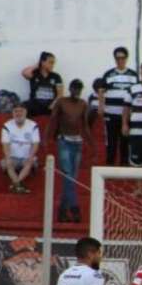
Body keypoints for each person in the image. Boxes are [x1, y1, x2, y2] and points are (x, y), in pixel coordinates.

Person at [48, 79, 91, 223]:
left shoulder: (83, 104)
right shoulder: (61, 102)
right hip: (64, 140)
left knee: (72, 178)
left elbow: (85, 125)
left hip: (77, 141)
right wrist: (47, 138)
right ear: (70, 88)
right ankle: (75, 208)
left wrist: (92, 144)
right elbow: (53, 120)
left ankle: (61, 210)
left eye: (79, 89)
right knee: (68, 175)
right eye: (74, 88)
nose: (76, 91)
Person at [101, 47, 139, 165]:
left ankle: (124, 173)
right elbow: (101, 91)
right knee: (111, 144)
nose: (120, 60)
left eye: (122, 58)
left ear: (126, 58)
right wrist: (101, 107)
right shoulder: (108, 74)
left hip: (127, 116)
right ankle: (108, 173)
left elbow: (137, 94)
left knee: (125, 144)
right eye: (117, 58)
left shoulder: (134, 75)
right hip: (110, 115)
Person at [0, 104, 40, 194]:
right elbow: (5, 144)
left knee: (30, 161)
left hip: (27, 157)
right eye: (16, 111)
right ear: (13, 113)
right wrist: (8, 157)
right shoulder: (7, 126)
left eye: (21, 111)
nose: (18, 113)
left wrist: (30, 157)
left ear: (25, 112)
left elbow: (35, 144)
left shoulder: (33, 125)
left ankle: (15, 184)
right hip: (13, 157)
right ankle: (19, 185)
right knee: (7, 162)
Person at [21, 51, 62, 116]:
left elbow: (60, 95)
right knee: (22, 107)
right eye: (50, 62)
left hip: (50, 106)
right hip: (35, 105)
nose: (52, 65)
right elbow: (24, 73)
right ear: (43, 62)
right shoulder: (34, 74)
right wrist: (37, 65)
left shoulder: (56, 76)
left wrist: (53, 105)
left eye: (53, 63)